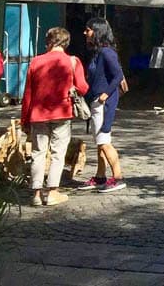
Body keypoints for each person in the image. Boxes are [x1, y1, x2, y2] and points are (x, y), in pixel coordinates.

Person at [21, 27, 87, 207]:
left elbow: (28, 94)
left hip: (38, 114)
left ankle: (36, 193)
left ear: (48, 41)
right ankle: (52, 192)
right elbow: (83, 87)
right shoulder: (72, 61)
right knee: (58, 153)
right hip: (62, 112)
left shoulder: (35, 62)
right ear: (66, 42)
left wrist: (24, 119)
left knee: (38, 153)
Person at [77, 18, 126, 193]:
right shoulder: (98, 52)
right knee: (99, 142)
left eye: (88, 29)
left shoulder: (106, 52)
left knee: (104, 141)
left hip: (103, 103)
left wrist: (105, 94)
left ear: (97, 31)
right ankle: (100, 176)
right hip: (97, 101)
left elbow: (118, 75)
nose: (85, 32)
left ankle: (118, 177)